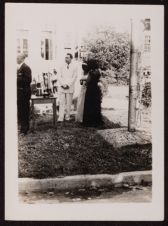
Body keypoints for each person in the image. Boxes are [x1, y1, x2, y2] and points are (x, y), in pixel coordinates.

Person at [83, 59, 104, 127]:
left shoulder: (91, 72)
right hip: (96, 89)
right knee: (96, 105)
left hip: (90, 90)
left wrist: (85, 83)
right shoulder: (98, 71)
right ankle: (96, 121)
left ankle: (89, 121)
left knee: (89, 105)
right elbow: (98, 79)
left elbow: (87, 82)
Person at [57, 53, 78, 122]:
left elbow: (74, 77)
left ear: (71, 58)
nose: (66, 59)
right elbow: (59, 76)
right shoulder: (61, 65)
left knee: (69, 103)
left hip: (70, 87)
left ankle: (67, 117)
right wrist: (63, 84)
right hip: (62, 87)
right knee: (62, 102)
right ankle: (60, 117)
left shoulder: (75, 66)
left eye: (67, 58)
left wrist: (68, 85)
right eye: (65, 57)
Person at [17, 53, 32, 134]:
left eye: (18, 58)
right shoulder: (19, 68)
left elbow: (28, 80)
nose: (16, 59)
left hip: (24, 93)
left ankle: (25, 129)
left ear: (22, 59)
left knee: (25, 111)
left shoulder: (26, 68)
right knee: (21, 111)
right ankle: (22, 128)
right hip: (20, 93)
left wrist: (16, 79)